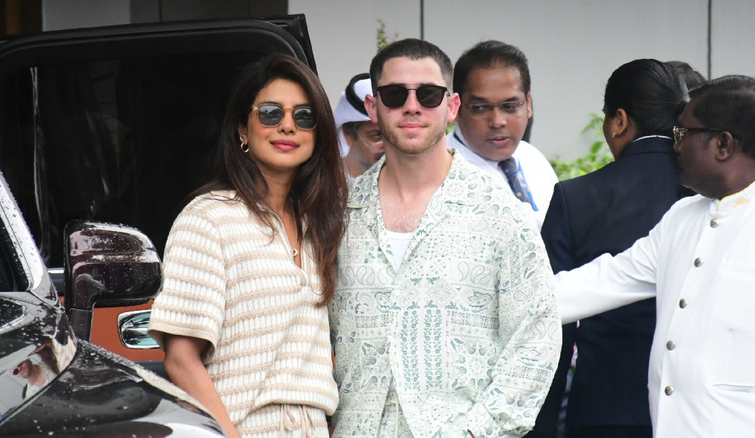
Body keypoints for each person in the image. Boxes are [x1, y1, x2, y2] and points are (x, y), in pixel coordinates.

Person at [328, 38, 561, 438]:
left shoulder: (499, 213)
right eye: (395, 94)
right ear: (373, 107)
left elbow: (535, 340)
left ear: (451, 107)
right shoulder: (337, 216)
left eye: (429, 95)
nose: (412, 106)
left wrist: (477, 432)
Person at [148, 53, 347, 438]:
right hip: (240, 427)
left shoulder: (316, 224)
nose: (288, 125)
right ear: (242, 128)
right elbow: (181, 360)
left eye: (304, 116)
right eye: (271, 113)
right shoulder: (208, 219)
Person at [554, 74, 755, 437]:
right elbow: (603, 281)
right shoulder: (683, 216)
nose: (674, 148)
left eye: (682, 135)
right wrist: (488, 300)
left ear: (722, 145)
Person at [541, 59, 690, 438]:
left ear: (619, 120)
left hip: (604, 406)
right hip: (691, 408)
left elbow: (551, 320)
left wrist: (541, 425)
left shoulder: (575, 197)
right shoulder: (704, 195)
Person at [447, 40, 558, 229]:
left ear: (528, 104)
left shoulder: (531, 156)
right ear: (456, 108)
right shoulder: (439, 171)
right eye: (481, 108)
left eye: (510, 106)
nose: (498, 121)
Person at [333, 73, 384, 179]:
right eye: (377, 135)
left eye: (393, 135)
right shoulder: (323, 185)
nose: (389, 146)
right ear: (348, 134)